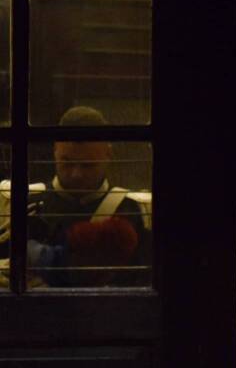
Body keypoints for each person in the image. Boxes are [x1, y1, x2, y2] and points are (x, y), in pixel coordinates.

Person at [23, 105, 151, 287]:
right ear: (55, 151)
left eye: (88, 165)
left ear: (108, 154)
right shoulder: (27, 203)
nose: (76, 174)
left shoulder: (131, 211)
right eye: (67, 163)